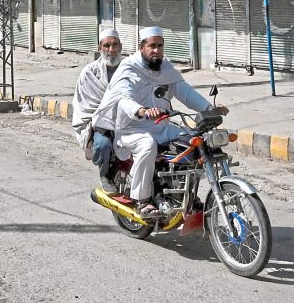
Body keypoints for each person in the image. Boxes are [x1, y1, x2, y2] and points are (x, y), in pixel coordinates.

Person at [93, 26, 224, 219]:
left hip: (161, 126)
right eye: (152, 46)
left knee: (194, 141)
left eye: (159, 46)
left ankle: (185, 194)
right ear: (142, 47)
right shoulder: (129, 67)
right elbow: (123, 97)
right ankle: (142, 200)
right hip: (131, 128)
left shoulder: (165, 68)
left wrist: (208, 108)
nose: (156, 50)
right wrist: (142, 110)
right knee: (147, 145)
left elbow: (184, 92)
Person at [71, 28, 124, 192]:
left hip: (129, 119)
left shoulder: (129, 67)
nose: (111, 50)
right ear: (100, 47)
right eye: (106, 45)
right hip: (100, 123)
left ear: (120, 47)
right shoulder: (89, 72)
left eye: (114, 45)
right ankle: (105, 175)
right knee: (102, 145)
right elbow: (84, 104)